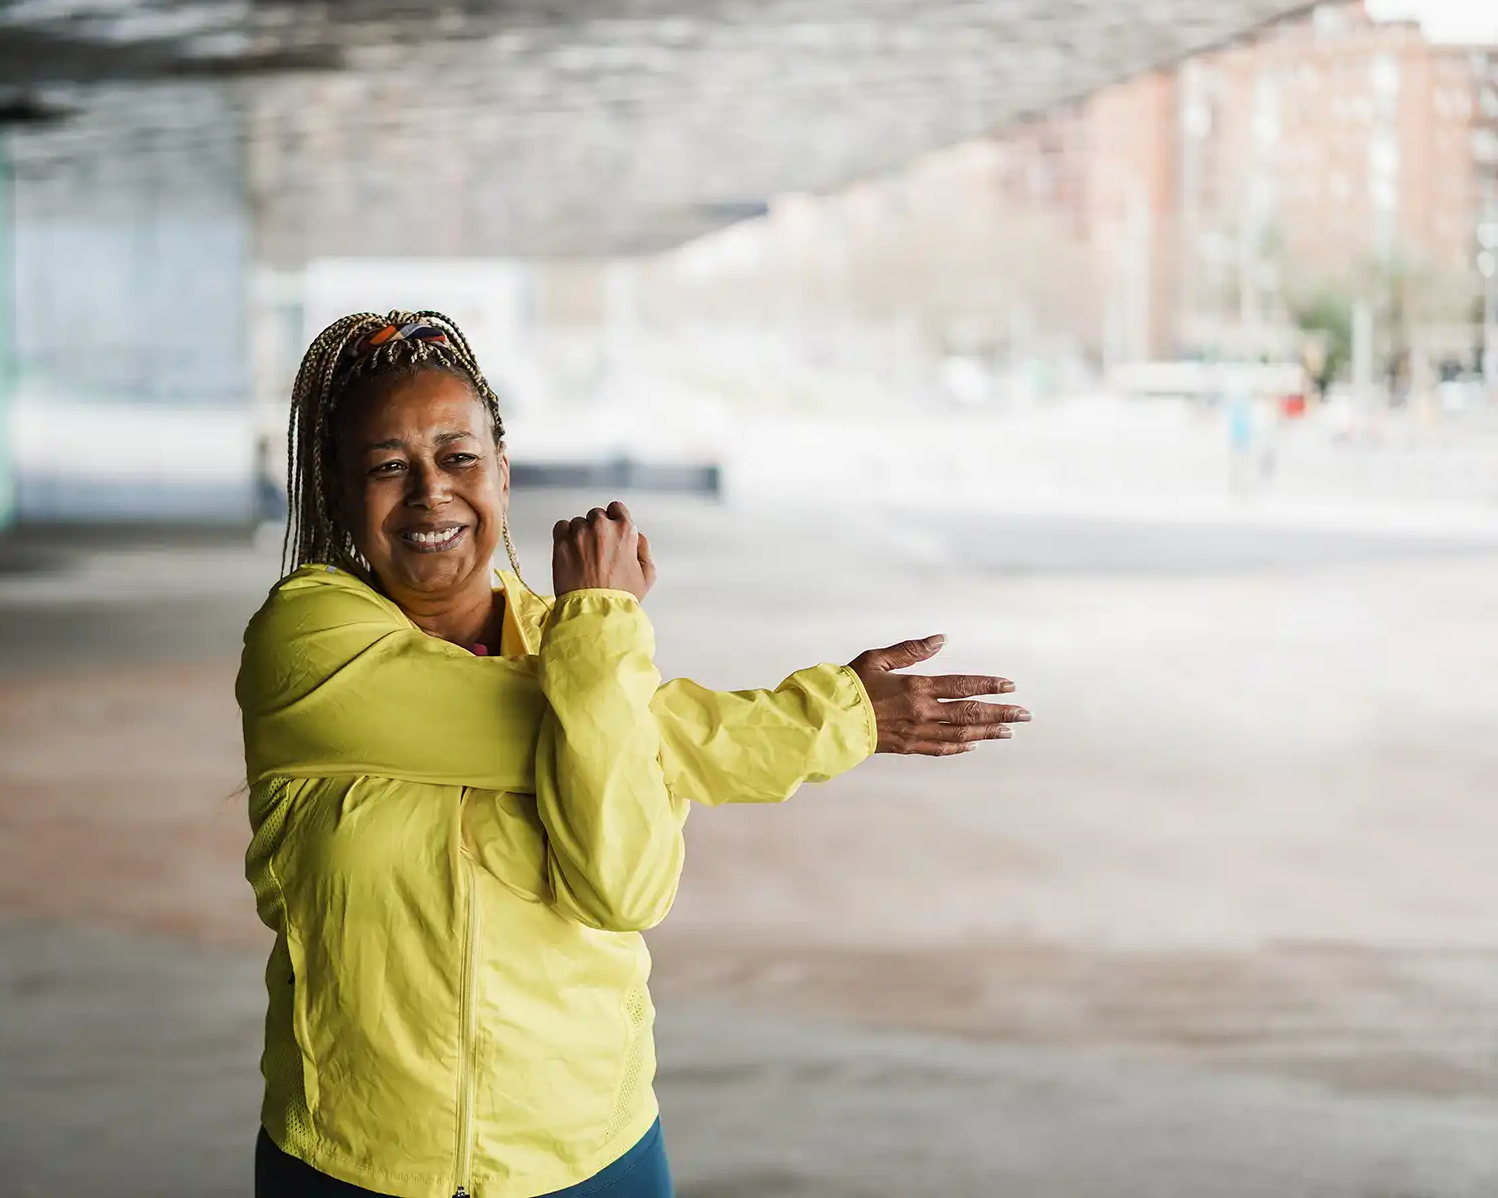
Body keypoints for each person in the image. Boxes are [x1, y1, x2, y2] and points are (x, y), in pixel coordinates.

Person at [237, 310, 1031, 1198]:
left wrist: (595, 645)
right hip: (352, 1162)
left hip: (591, 1157)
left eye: (458, 457)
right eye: (388, 466)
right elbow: (611, 729)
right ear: (341, 494)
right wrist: (834, 715)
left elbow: (624, 892)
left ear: (502, 472)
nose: (431, 492)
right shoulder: (307, 644)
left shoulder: (591, 661)